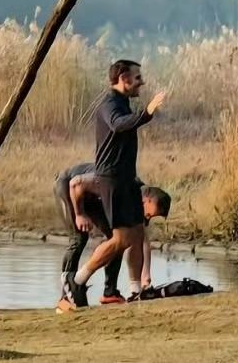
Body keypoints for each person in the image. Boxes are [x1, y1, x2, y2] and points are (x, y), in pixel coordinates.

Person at [59, 59, 166, 309]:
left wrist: (144, 115)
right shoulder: (109, 106)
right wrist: (147, 112)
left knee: (137, 233)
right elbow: (119, 125)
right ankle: (77, 280)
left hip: (127, 180)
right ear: (123, 78)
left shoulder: (124, 104)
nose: (142, 82)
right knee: (119, 239)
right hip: (111, 181)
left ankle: (136, 291)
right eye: (137, 77)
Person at [53, 161, 172, 310]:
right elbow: (76, 184)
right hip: (69, 186)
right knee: (79, 239)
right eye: (148, 214)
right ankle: (67, 294)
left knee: (117, 238)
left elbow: (142, 239)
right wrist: (79, 214)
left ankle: (110, 293)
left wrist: (145, 278)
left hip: (92, 197)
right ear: (146, 200)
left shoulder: (136, 202)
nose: (147, 218)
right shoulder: (122, 185)